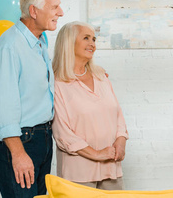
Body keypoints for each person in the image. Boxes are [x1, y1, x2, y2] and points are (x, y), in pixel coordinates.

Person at [0, 0, 64, 198]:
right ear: (33, 11)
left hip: (41, 137)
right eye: (54, 7)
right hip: (20, 141)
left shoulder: (39, 43)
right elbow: (3, 106)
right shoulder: (10, 46)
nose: (60, 12)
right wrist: (18, 153)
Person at [51, 21, 128, 190]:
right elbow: (62, 132)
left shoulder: (101, 76)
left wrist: (121, 141)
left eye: (94, 39)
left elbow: (118, 115)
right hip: (78, 173)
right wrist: (97, 154)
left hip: (111, 167)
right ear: (69, 42)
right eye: (86, 38)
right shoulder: (57, 82)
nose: (92, 44)